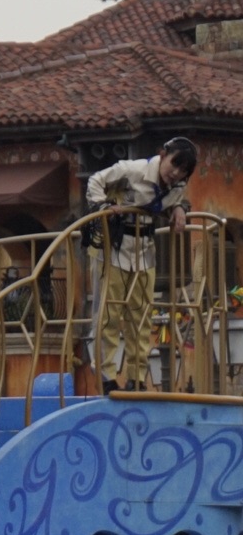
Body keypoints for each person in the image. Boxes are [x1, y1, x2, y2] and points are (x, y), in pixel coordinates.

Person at [86, 137, 199, 393]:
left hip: (144, 250)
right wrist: (104, 206)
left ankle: (137, 377)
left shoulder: (177, 186)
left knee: (141, 316)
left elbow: (174, 200)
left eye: (184, 170)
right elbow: (95, 180)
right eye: (175, 164)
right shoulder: (133, 170)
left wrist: (179, 208)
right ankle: (106, 375)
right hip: (114, 247)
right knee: (108, 314)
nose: (176, 173)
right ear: (163, 155)